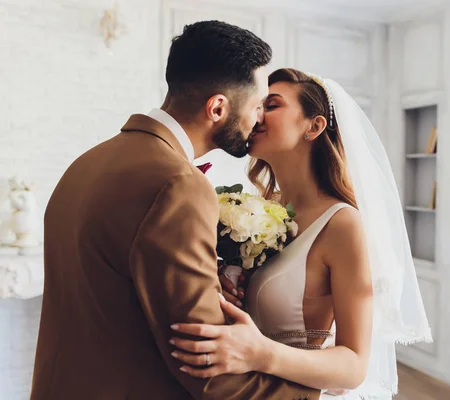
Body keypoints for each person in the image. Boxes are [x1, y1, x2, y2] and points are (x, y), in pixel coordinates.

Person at [31, 22, 319, 400]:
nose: (259, 119)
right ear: (217, 108)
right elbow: (201, 362)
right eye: (256, 106)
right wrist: (311, 395)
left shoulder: (86, 162)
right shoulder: (178, 185)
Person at [169, 68, 433, 399]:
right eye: (258, 104)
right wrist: (228, 282)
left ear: (314, 126)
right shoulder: (261, 210)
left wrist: (260, 353)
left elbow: (353, 367)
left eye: (273, 105)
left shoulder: (342, 224)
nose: (256, 113)